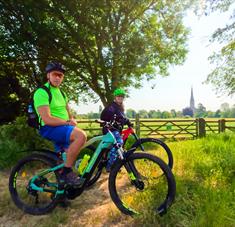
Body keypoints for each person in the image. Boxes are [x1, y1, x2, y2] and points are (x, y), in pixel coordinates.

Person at [34, 62, 87, 187]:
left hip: (63, 128)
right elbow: (47, 119)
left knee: (63, 160)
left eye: (60, 75)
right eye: (55, 74)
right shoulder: (42, 92)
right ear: (48, 75)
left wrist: (72, 120)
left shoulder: (63, 93)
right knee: (81, 136)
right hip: (49, 128)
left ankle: (60, 194)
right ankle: (67, 172)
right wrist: (68, 122)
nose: (58, 77)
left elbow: (68, 114)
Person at [100, 88, 132, 171]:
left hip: (116, 130)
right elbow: (103, 117)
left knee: (118, 146)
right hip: (110, 130)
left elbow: (122, 118)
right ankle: (110, 165)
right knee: (119, 143)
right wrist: (109, 122)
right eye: (118, 96)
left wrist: (128, 122)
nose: (120, 98)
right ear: (115, 97)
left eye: (122, 97)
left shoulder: (120, 107)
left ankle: (115, 162)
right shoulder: (111, 107)